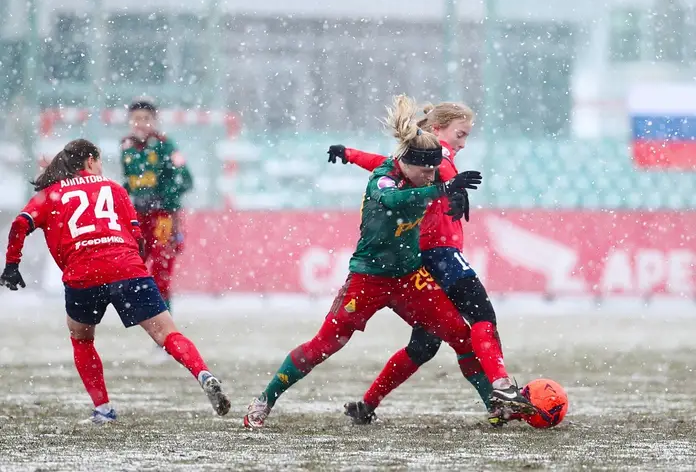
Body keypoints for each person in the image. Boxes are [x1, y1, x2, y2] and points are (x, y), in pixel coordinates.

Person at [243, 95, 531, 428]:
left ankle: (496, 407)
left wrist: (446, 187)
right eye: (425, 171)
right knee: (324, 346)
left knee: (461, 337)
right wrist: (443, 189)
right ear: (406, 164)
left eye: (433, 171)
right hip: (369, 281)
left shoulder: (422, 173)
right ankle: (266, 399)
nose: (430, 176)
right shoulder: (384, 181)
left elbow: (427, 183)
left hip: (410, 279)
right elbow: (394, 199)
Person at [0, 139, 229, 425]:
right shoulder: (115, 189)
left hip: (83, 274)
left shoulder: (51, 194)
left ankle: (103, 408)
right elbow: (137, 236)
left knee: (82, 339)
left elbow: (21, 223)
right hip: (127, 268)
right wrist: (131, 264)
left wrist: (12, 264)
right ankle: (202, 373)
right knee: (166, 333)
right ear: (91, 161)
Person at [328, 101, 527, 426]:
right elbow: (444, 167)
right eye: (460, 134)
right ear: (437, 130)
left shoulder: (414, 160)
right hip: (440, 255)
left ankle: (366, 405)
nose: (462, 142)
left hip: (418, 260)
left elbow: (383, 163)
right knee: (482, 316)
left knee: (424, 346)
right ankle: (501, 388)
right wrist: (451, 190)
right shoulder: (441, 158)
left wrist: (349, 153)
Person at [121, 100, 193, 314]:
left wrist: (163, 197)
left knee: (162, 265)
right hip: (138, 216)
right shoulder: (126, 147)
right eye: (136, 119)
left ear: (155, 121)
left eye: (145, 119)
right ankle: (140, 311)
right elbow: (130, 182)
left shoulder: (166, 146)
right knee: (134, 262)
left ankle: (164, 317)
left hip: (163, 216)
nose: (140, 123)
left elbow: (186, 179)